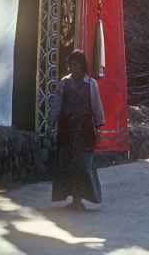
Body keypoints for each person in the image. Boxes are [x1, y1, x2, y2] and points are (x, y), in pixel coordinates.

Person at [50, 49, 105, 210]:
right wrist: (51, 123)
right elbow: (57, 105)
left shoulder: (91, 84)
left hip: (85, 129)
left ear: (83, 66)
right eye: (72, 64)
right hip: (67, 129)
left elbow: (96, 106)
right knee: (68, 164)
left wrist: (99, 127)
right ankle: (74, 198)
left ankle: (80, 198)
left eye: (77, 64)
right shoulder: (64, 83)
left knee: (83, 165)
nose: (74, 67)